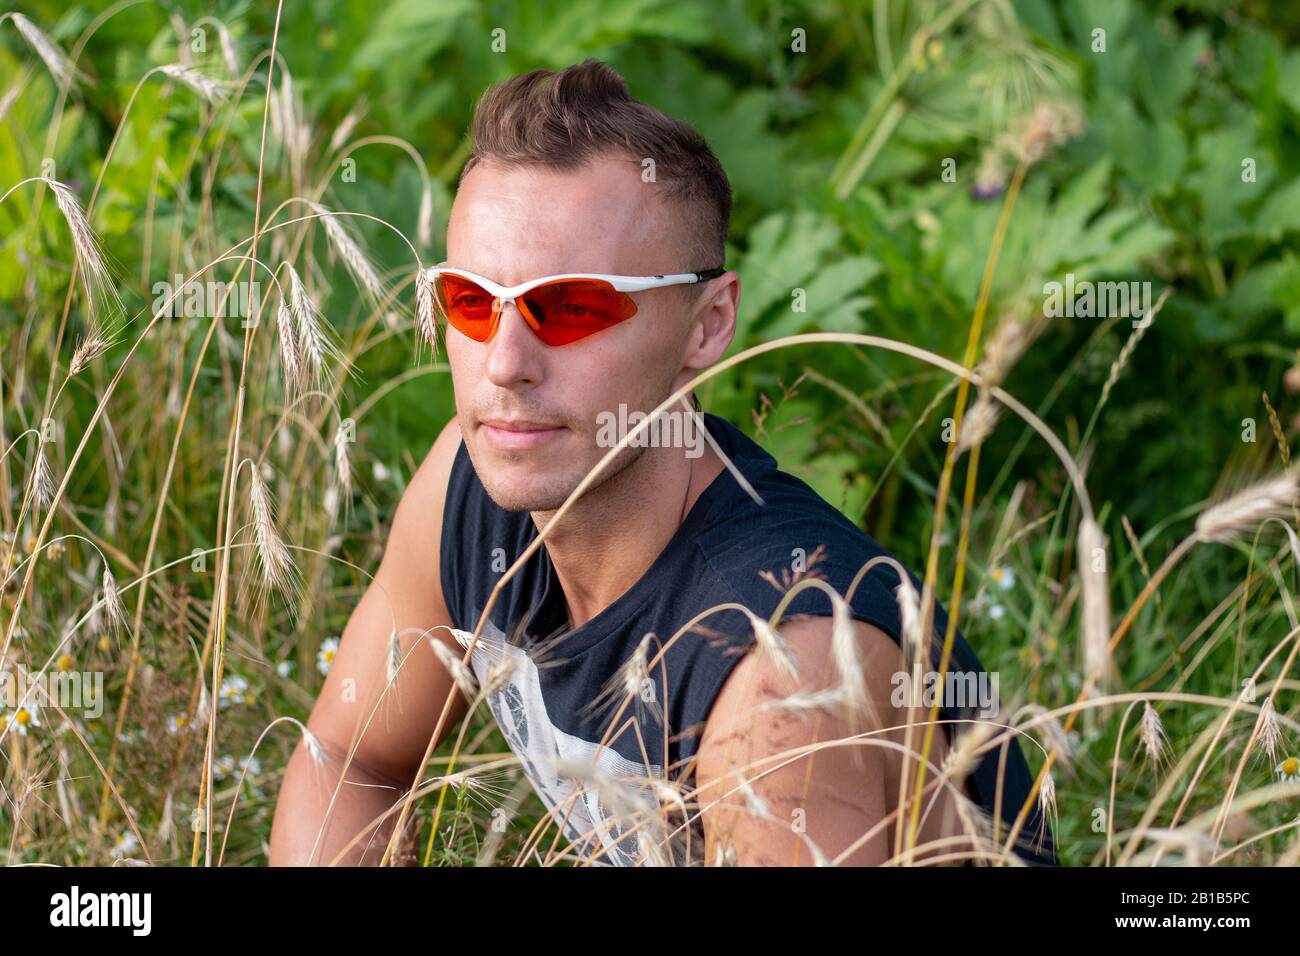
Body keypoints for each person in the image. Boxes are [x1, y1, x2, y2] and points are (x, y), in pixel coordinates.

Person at [269, 57, 1057, 868]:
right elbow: (349, 762)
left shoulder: (785, 672)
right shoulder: (468, 492)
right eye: (471, 301)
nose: (505, 363)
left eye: (571, 307)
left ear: (707, 326)